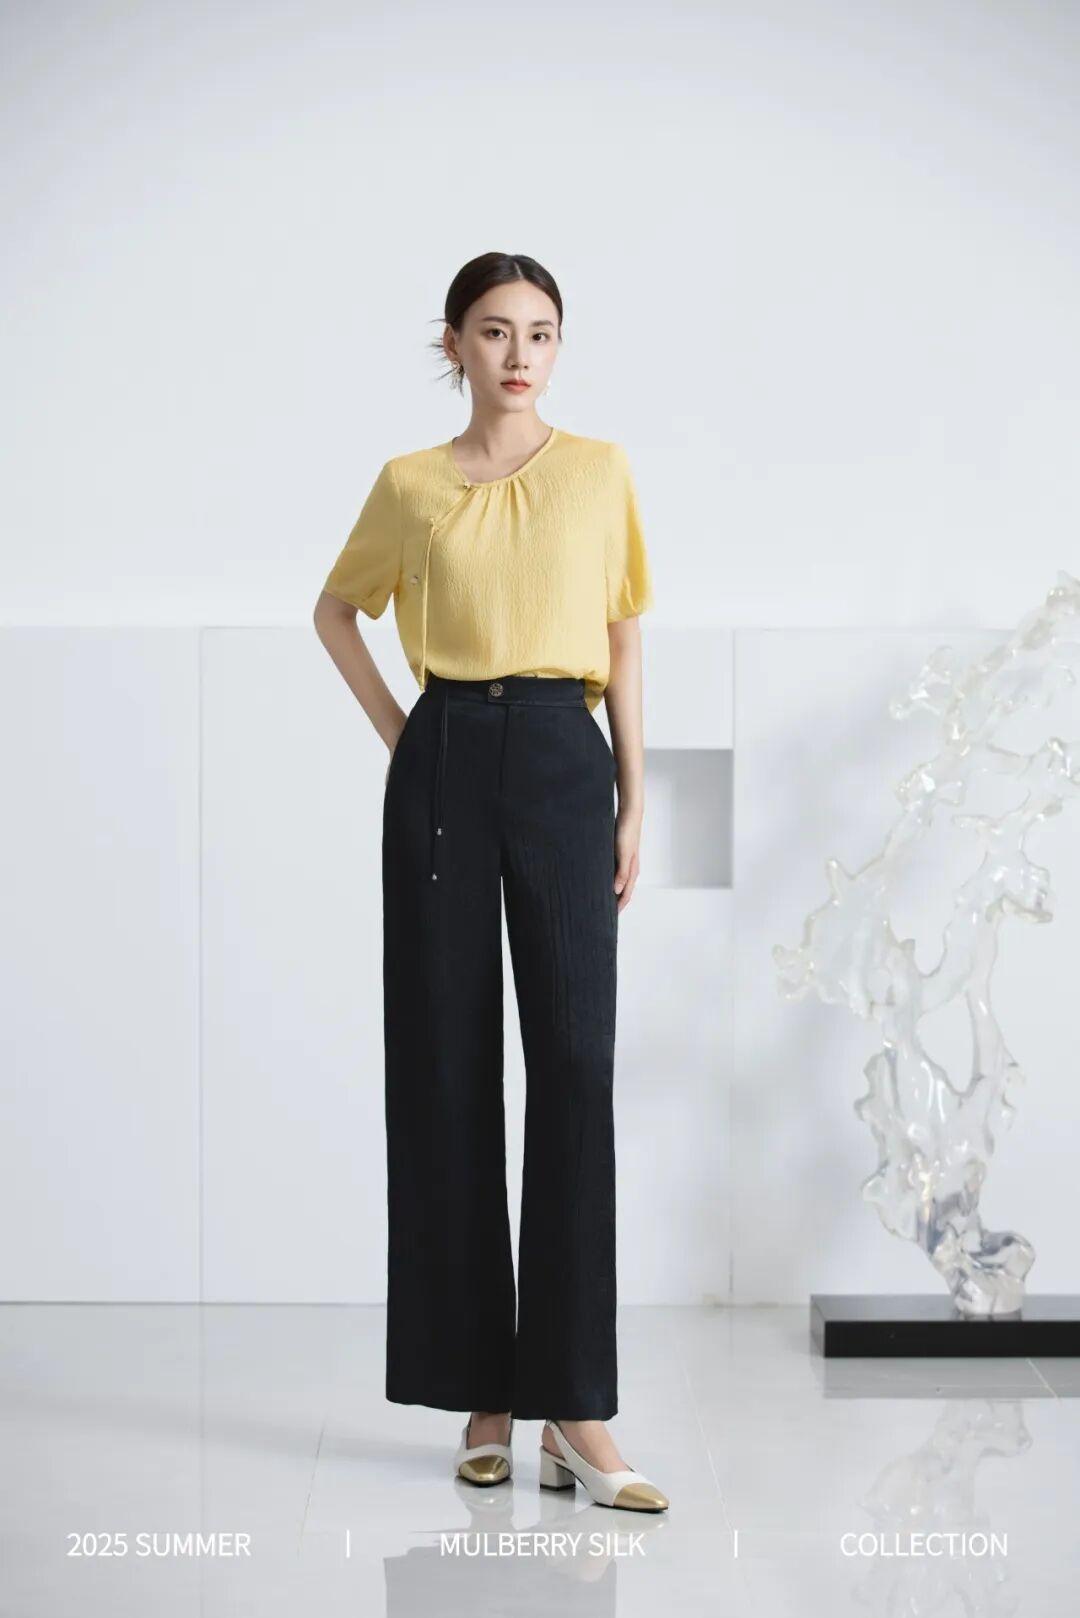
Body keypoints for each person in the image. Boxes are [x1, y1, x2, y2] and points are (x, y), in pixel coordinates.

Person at [313, 252, 667, 1512]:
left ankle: (576, 1409)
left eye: (543, 332)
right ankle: (481, 1392)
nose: (522, 354)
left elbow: (622, 634)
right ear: (453, 344)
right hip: (446, 762)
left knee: (574, 1064)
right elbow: (336, 612)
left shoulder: (600, 472)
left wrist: (635, 794)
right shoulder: (409, 486)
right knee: (447, 1065)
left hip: (567, 759)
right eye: (497, 331)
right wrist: (407, 737)